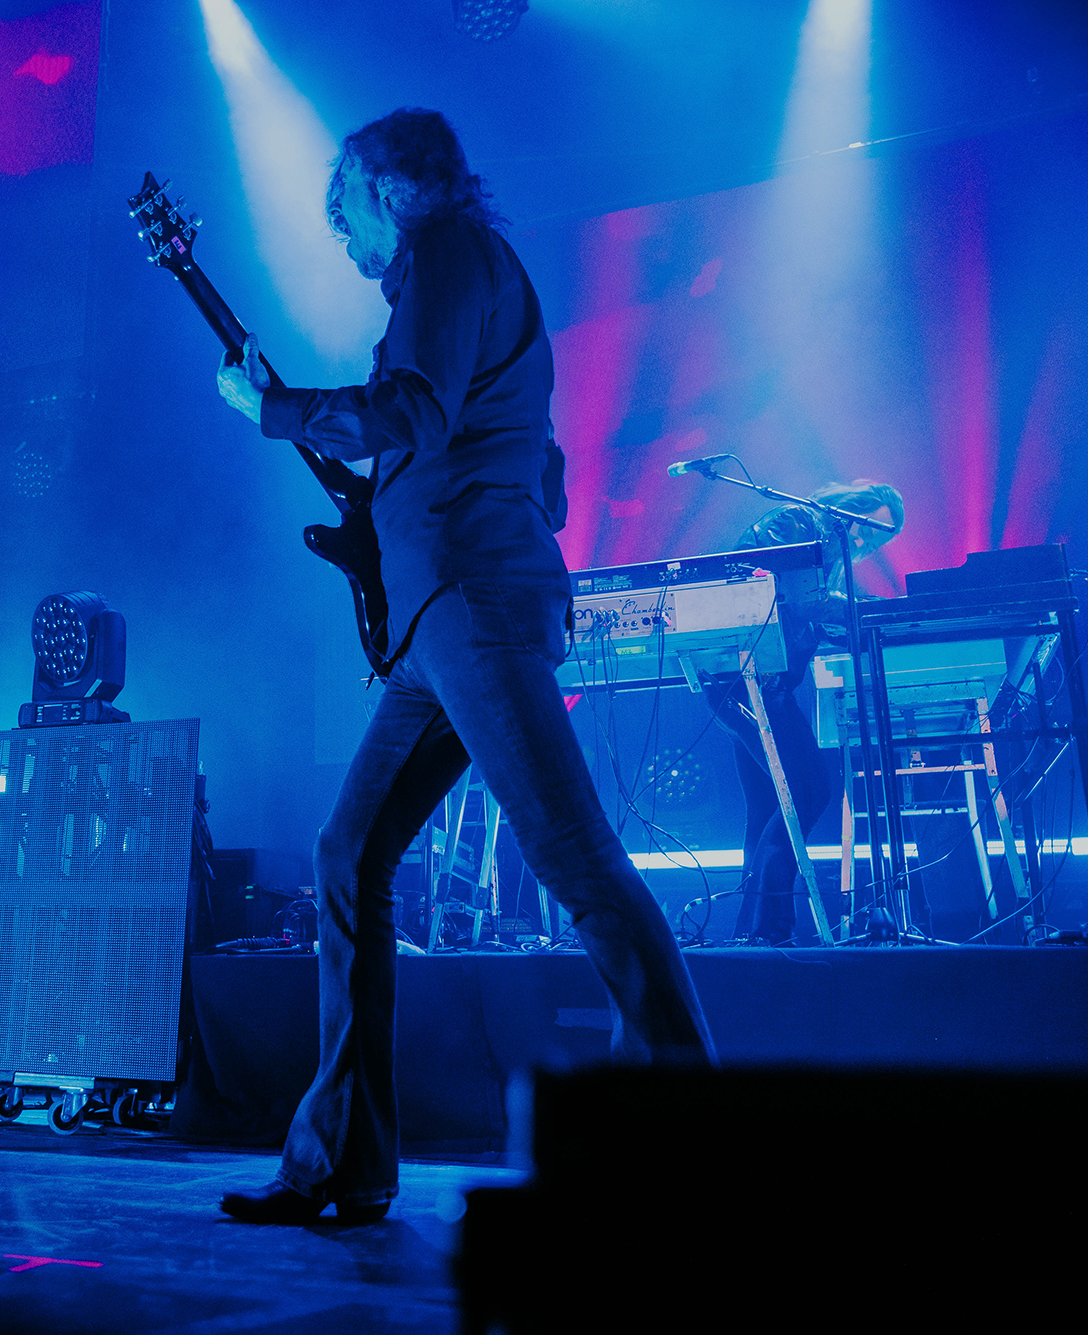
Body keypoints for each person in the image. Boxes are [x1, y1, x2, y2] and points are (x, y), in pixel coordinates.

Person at [212, 108, 716, 1224]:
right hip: (442, 622)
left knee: (571, 851)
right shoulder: (474, 277)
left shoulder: (448, 252)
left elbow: (413, 410)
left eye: (345, 209)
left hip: (469, 607)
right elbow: (526, 460)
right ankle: (341, 1161)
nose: (340, 236)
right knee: (347, 852)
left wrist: (273, 409)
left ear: (391, 188)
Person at [708, 481, 904, 944]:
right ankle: (770, 926)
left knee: (768, 806)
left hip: (767, 687)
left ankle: (754, 933)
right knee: (808, 790)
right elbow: (797, 598)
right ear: (850, 507)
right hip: (746, 683)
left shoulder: (831, 557)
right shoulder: (795, 522)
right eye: (867, 526)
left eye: (877, 539)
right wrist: (874, 612)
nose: (865, 541)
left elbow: (810, 617)